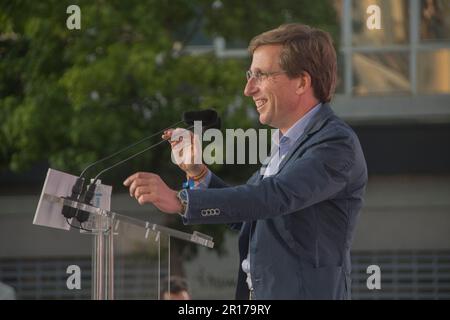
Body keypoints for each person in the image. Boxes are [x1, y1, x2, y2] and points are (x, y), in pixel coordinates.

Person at [123, 23, 368, 300]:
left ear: (302, 81)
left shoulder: (336, 144)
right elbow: (252, 216)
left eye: (260, 75)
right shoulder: (285, 144)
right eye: (250, 75)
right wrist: (198, 173)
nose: (248, 89)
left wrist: (182, 201)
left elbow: (274, 197)